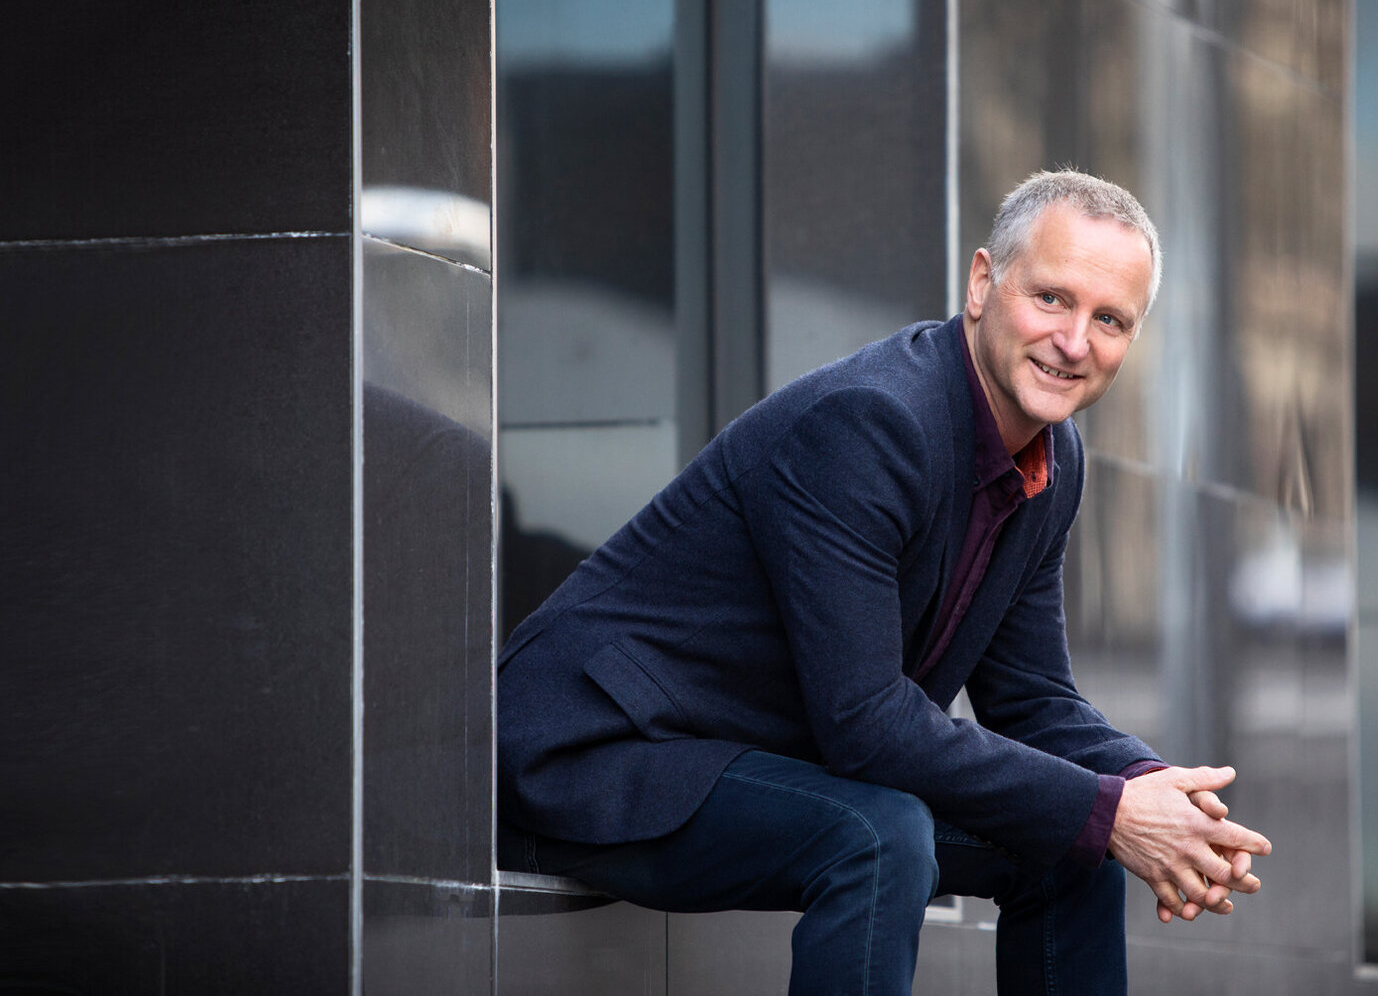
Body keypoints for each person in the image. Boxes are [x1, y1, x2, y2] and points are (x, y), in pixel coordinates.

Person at [498, 169, 1271, 994]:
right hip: (594, 754)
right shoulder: (872, 423)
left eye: (1109, 319)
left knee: (1069, 848)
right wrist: (1108, 810)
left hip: (731, 756)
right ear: (982, 284)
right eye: (1051, 298)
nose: (1075, 341)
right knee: (880, 832)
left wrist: (1154, 797)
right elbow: (865, 723)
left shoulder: (1051, 457)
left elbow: (1034, 700)